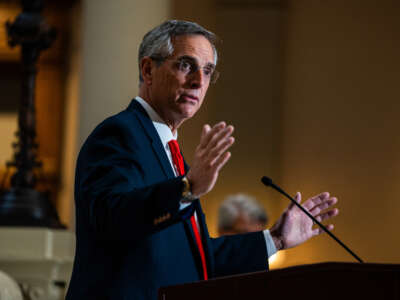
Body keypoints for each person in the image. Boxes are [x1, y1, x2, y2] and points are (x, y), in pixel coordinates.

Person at [66, 20, 339, 300]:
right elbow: (111, 218)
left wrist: (275, 240)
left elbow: (195, 259)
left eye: (207, 71)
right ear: (148, 70)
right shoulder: (120, 134)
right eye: (186, 65)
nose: (198, 81)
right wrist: (187, 189)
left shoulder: (170, 151)